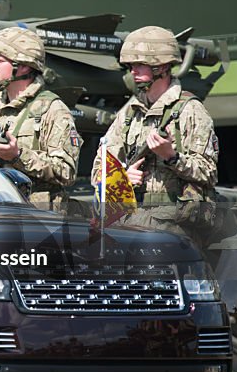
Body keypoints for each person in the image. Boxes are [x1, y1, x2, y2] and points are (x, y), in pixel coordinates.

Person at [90, 26, 218, 239]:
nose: (133, 71)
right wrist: (120, 178)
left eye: (141, 65)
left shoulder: (190, 110)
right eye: (131, 65)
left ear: (162, 67)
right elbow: (99, 168)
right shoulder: (129, 112)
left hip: (175, 228)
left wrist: (172, 157)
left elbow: (209, 173)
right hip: (128, 224)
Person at [0, 27, 80, 211]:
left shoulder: (53, 109)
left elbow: (66, 172)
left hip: (38, 218)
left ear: (23, 65)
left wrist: (18, 155)